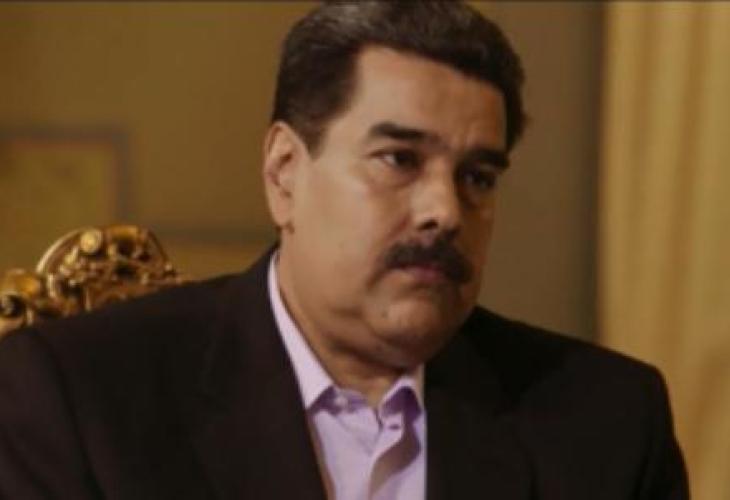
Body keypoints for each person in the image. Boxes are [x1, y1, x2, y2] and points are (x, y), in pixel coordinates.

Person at [0, 2, 688, 499]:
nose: (446, 211)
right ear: (284, 173)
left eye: (478, 177)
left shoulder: (607, 423)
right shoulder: (80, 399)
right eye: (399, 159)